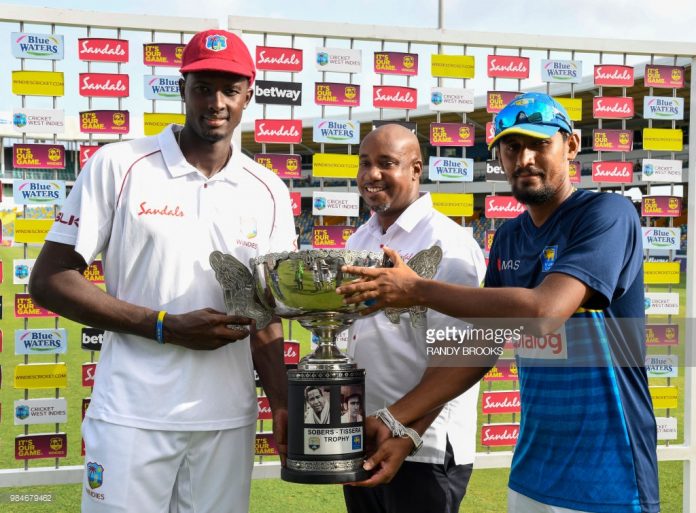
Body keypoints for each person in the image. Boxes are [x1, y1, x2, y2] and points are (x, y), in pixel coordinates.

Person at [338, 93, 659, 513]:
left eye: (539, 144)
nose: (524, 158)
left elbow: (545, 312)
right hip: (532, 471)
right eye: (511, 147)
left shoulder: (608, 214)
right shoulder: (509, 237)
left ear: (571, 146)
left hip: (610, 471)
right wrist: (399, 424)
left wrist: (417, 290)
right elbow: (477, 350)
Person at [29, 29, 296, 513]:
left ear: (249, 95)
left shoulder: (269, 189)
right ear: (181, 89)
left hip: (226, 420)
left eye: (230, 90)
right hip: (132, 415)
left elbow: (265, 310)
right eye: (203, 88)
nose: (216, 103)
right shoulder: (120, 165)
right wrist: (163, 326)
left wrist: (280, 400)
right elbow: (50, 280)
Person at [343, 124, 486, 513]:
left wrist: (407, 432)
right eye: (364, 163)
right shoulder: (359, 240)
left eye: (386, 163)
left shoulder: (449, 243)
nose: (372, 174)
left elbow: (459, 357)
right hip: (366, 437)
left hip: (424, 449)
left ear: (416, 169)